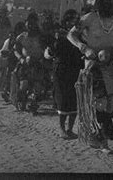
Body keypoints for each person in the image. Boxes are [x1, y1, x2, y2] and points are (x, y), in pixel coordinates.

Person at [68, 0, 113, 153]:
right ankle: (103, 141)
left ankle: (99, 135)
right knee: (100, 103)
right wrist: (83, 47)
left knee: (112, 103)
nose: (110, 2)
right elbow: (71, 35)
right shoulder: (89, 18)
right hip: (93, 66)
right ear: (100, 0)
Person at [43, 9, 83, 139]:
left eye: (76, 19)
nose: (74, 22)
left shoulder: (80, 35)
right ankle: (62, 129)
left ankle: (70, 129)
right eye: (71, 20)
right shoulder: (58, 35)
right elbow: (50, 52)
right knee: (63, 100)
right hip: (61, 72)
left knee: (74, 101)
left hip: (75, 70)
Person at [13, 12, 46, 115]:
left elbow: (46, 49)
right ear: (26, 24)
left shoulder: (42, 36)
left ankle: (33, 104)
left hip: (37, 65)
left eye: (33, 23)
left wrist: (43, 58)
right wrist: (21, 59)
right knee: (23, 85)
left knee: (37, 87)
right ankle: (21, 100)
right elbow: (15, 50)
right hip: (25, 65)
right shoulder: (21, 37)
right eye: (29, 23)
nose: (31, 25)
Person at [0, 22, 27, 104]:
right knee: (9, 77)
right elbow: (3, 51)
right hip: (12, 62)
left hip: (23, 61)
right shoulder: (10, 40)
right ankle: (7, 91)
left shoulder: (25, 38)